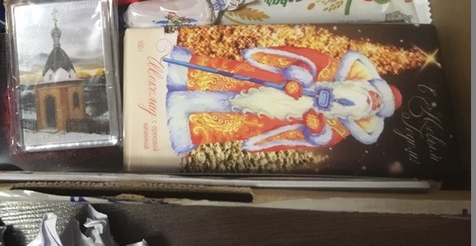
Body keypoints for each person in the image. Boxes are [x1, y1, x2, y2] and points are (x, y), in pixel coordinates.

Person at [164, 45, 402, 155]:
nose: (372, 102)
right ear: (367, 84)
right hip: (268, 83)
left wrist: (316, 128)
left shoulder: (342, 127)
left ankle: (183, 116)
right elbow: (305, 59)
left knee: (229, 119)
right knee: (226, 80)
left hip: (275, 117)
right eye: (375, 96)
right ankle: (183, 78)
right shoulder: (331, 69)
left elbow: (321, 139)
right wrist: (298, 77)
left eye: (377, 106)